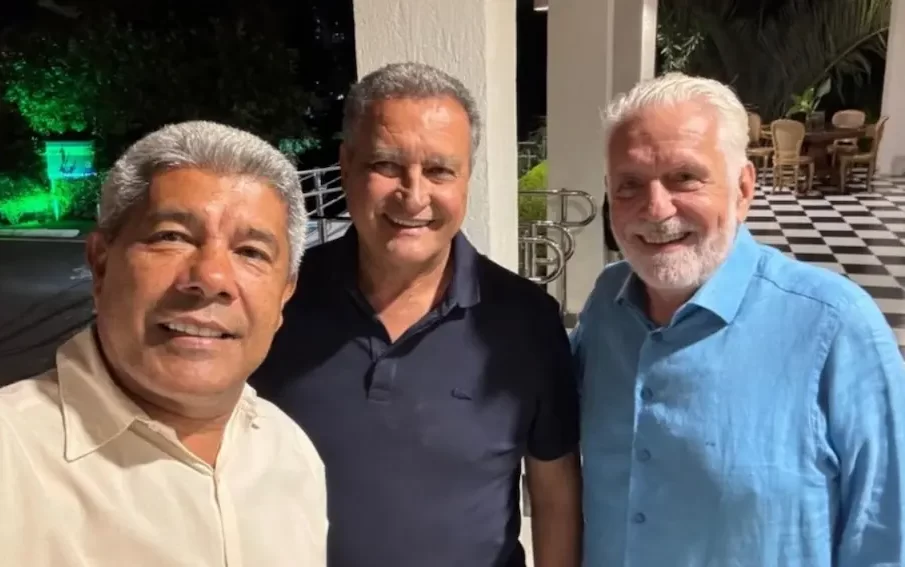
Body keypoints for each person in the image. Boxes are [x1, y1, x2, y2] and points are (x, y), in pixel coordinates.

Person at [252, 62, 582, 567]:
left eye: (439, 171)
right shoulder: (277, 299)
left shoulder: (528, 320)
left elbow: (554, 493)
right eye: (386, 165)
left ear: (467, 178)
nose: (413, 195)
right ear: (346, 165)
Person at [572, 72, 905, 566]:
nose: (655, 208)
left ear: (743, 188)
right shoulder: (607, 306)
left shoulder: (834, 327)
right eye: (630, 185)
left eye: (685, 177)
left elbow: (885, 536)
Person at [0, 121, 327, 566]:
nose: (211, 278)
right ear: (100, 265)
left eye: (251, 252)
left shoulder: (290, 454)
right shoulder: (13, 458)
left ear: (285, 295)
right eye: (172, 237)